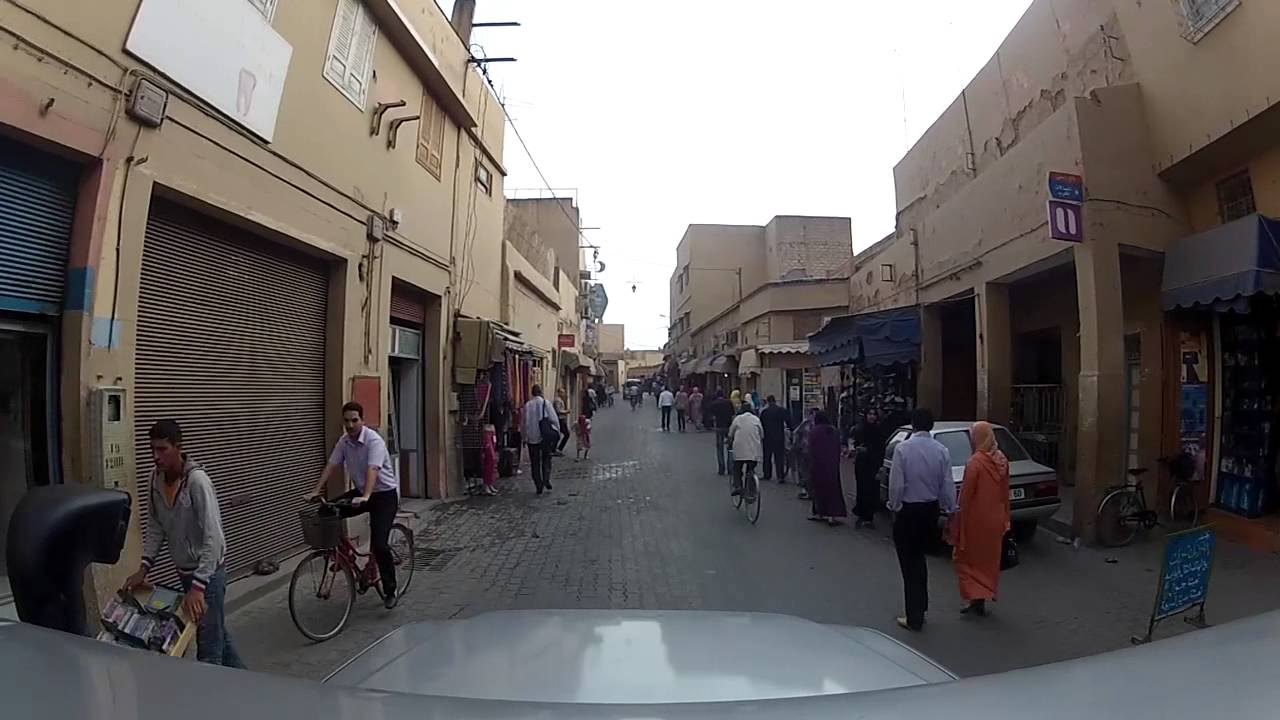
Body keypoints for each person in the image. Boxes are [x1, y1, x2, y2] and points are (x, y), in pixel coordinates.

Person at [124, 419, 244, 668]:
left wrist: (198, 587)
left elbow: (215, 538)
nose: (156, 457)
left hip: (209, 577)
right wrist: (144, 568)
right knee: (219, 637)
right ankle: (255, 688)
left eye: (162, 449)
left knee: (209, 652)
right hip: (185, 574)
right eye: (152, 449)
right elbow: (156, 526)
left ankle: (212, 703)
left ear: (178, 447)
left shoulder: (197, 482)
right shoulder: (154, 479)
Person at [305, 401, 402, 608]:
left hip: (383, 496)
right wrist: (316, 490)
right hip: (361, 493)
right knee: (326, 510)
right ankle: (343, 556)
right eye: (346, 421)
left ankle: (390, 589)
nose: (350, 425)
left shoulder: (373, 441)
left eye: (354, 420)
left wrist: (366, 495)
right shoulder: (344, 441)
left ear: (362, 420)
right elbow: (331, 465)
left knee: (380, 544)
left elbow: (373, 470)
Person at [887, 408, 957, 631]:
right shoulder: (941, 450)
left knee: (909, 564)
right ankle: (921, 607)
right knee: (920, 561)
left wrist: (894, 506)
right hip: (930, 511)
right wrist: (950, 508)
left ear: (913, 425)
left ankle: (913, 615)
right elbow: (947, 483)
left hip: (909, 511)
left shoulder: (903, 449)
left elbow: (896, 483)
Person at [951, 421, 1011, 617]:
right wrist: (1005, 517)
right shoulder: (1002, 460)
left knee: (969, 560)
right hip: (995, 517)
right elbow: (1005, 493)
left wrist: (958, 520)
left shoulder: (975, 463)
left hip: (976, 519)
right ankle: (982, 597)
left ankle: (974, 598)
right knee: (988, 560)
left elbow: (966, 496)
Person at [806, 411, 848, 526]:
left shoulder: (814, 432)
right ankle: (831, 517)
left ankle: (819, 513)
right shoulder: (834, 431)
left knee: (818, 489)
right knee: (833, 490)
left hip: (817, 465)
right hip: (831, 465)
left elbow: (810, 449)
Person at [852, 408, 889, 529]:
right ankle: (861, 515)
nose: (872, 417)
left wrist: (870, 452)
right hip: (861, 464)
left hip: (873, 465)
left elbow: (881, 450)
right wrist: (857, 449)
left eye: (874, 414)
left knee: (872, 490)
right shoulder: (860, 429)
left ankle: (869, 517)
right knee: (861, 489)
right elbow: (854, 443)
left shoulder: (879, 431)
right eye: (870, 414)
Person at [520, 385, 557, 494]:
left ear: (532, 393)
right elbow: (553, 418)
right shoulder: (546, 403)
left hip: (532, 437)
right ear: (540, 392)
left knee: (535, 462)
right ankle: (546, 479)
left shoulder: (527, 405)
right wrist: (556, 432)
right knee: (546, 458)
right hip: (544, 436)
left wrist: (524, 437)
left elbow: (523, 423)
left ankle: (538, 484)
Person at [728, 404, 764, 499]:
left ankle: (738, 486)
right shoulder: (756, 419)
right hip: (753, 451)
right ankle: (751, 490)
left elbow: (731, 433)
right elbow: (762, 434)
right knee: (751, 468)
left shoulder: (738, 419)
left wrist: (729, 441)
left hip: (740, 449)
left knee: (737, 467)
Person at [759, 395, 792, 483]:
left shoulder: (764, 412)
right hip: (779, 436)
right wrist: (790, 431)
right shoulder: (781, 410)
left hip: (767, 437)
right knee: (779, 457)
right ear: (775, 401)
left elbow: (761, 425)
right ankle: (780, 476)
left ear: (768, 402)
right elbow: (789, 421)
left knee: (767, 457)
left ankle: (767, 475)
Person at [790, 408, 817, 500]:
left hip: (805, 450)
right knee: (809, 470)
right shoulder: (818, 424)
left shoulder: (806, 423)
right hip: (811, 452)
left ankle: (807, 490)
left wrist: (795, 445)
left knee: (805, 470)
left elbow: (796, 433)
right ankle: (810, 490)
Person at [707, 390, 735, 474]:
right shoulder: (728, 402)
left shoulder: (714, 404)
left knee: (720, 448)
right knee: (730, 448)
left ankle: (721, 468)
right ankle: (730, 468)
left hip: (719, 427)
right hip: (728, 427)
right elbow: (733, 413)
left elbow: (711, 416)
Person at [553, 388, 572, 457]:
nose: (564, 394)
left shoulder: (560, 400)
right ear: (559, 393)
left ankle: (555, 449)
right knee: (566, 434)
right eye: (562, 392)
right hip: (560, 419)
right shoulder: (557, 400)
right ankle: (557, 449)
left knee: (559, 435)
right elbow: (558, 410)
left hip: (561, 419)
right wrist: (567, 411)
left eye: (564, 392)